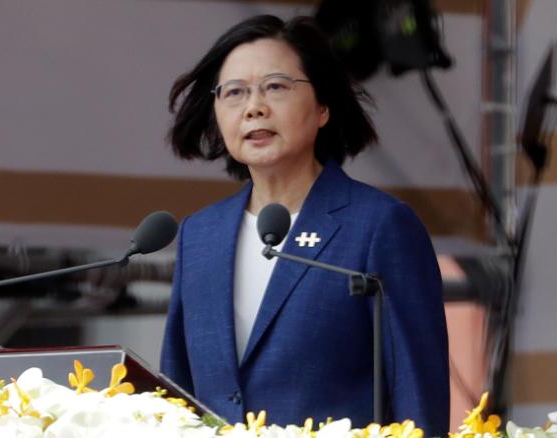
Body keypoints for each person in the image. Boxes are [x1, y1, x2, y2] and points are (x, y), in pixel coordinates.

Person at [160, 14, 449, 436]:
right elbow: (176, 395)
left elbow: (418, 395)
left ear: (323, 107)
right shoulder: (200, 236)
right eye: (235, 92)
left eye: (276, 87)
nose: (254, 106)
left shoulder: (378, 225)